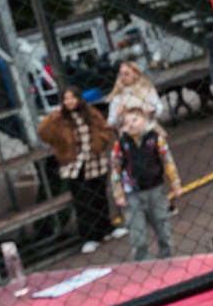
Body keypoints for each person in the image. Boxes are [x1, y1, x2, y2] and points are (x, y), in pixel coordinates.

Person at [38, 86, 117, 254]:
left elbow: (105, 129)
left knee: (100, 196)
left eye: (72, 98)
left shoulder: (91, 113)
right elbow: (44, 134)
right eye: (66, 99)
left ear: (79, 98)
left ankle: (106, 229)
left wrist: (101, 142)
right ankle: (89, 237)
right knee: (83, 201)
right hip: (75, 165)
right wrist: (51, 117)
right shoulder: (59, 119)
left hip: (95, 161)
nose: (69, 102)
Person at [108, 106, 179, 261]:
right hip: (133, 194)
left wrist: (175, 183)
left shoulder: (156, 138)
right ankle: (143, 262)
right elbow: (115, 170)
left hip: (156, 190)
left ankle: (167, 258)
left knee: (163, 228)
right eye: (127, 122)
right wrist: (118, 193)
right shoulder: (121, 144)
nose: (131, 124)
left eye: (135, 120)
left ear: (145, 120)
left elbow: (167, 161)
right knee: (137, 233)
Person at [104, 58, 164, 128]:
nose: (123, 77)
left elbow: (160, 107)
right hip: (129, 130)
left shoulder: (147, 90)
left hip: (149, 127)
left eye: (126, 74)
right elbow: (110, 123)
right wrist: (118, 115)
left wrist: (153, 112)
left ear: (135, 74)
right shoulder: (118, 98)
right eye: (120, 74)